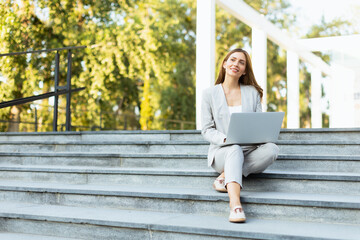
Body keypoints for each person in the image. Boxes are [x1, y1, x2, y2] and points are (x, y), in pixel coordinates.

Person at [201, 48, 279, 223]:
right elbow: (206, 129)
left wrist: (262, 134)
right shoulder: (209, 94)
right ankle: (235, 204)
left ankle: (225, 176)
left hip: (248, 148)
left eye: (241, 62)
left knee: (272, 150)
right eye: (232, 60)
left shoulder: (252, 93)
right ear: (224, 64)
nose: (236, 64)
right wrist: (226, 140)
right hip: (222, 151)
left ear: (244, 71)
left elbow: (258, 125)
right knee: (234, 148)